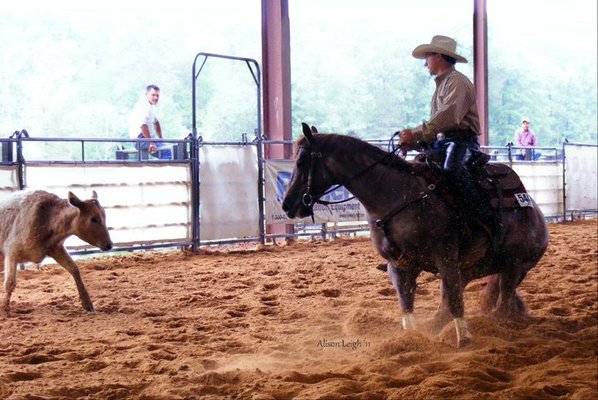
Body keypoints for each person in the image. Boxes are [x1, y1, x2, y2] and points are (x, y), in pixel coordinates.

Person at [397, 35, 502, 244]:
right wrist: (416, 142)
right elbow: (439, 126)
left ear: (438, 56)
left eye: (428, 56)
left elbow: (449, 117)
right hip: (445, 142)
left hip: (462, 142)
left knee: (453, 167)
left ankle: (485, 220)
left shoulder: (458, 82)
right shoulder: (444, 85)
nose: (425, 62)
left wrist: (415, 134)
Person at [128, 84, 171, 159]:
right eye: (153, 95)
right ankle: (166, 170)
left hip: (146, 138)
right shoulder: (144, 106)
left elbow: (156, 123)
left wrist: (161, 139)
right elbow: (143, 126)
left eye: (157, 95)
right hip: (140, 139)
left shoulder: (151, 106)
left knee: (169, 148)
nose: (155, 97)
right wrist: (151, 142)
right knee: (167, 152)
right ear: (146, 94)